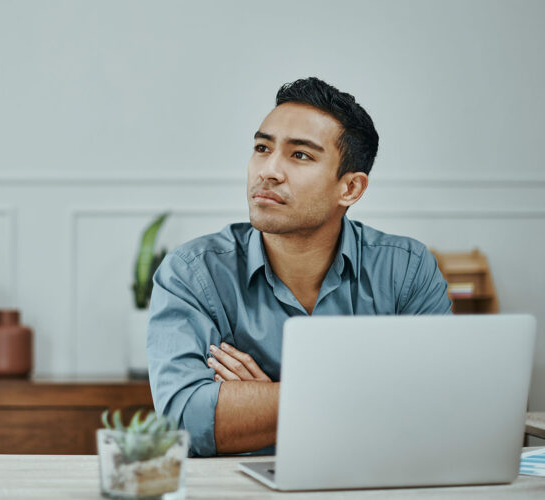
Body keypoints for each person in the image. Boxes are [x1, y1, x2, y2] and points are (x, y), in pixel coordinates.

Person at [146, 77, 452, 457]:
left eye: (300, 155)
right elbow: (184, 422)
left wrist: (271, 396)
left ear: (351, 189)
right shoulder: (193, 273)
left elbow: (437, 413)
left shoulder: (406, 269)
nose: (268, 170)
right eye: (262, 148)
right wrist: (366, 397)